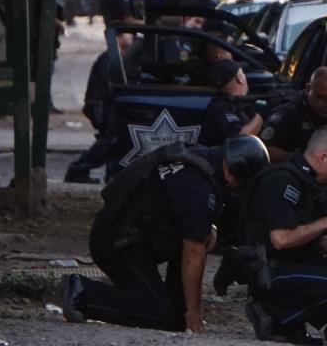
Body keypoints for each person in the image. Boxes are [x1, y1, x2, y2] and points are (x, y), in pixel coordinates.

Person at [59, 135, 271, 333]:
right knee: (157, 312)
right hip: (116, 243)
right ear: (232, 172)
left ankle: (173, 309)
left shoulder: (203, 160)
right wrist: (195, 312)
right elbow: (193, 253)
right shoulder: (197, 186)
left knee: (174, 320)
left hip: (131, 234)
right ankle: (81, 292)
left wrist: (207, 226)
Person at [241, 126, 327, 344]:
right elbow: (282, 239)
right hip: (271, 271)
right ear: (323, 157)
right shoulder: (281, 179)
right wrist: (326, 223)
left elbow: (318, 240)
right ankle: (270, 314)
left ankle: (291, 325)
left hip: (295, 264)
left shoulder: (309, 183)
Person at [64, 32, 136, 184]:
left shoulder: (121, 57)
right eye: (127, 34)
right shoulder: (110, 59)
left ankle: (112, 174)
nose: (132, 37)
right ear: (118, 37)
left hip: (106, 107)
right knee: (109, 142)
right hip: (101, 108)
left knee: (114, 142)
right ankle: (78, 169)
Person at [260, 67, 327, 172]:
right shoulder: (289, 113)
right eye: (320, 98)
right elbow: (264, 149)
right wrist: (301, 161)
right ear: (308, 89)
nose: (326, 104)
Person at [198, 59, 263, 146]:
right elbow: (240, 139)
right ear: (239, 78)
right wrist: (261, 115)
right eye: (243, 74)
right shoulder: (221, 109)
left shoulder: (226, 102)